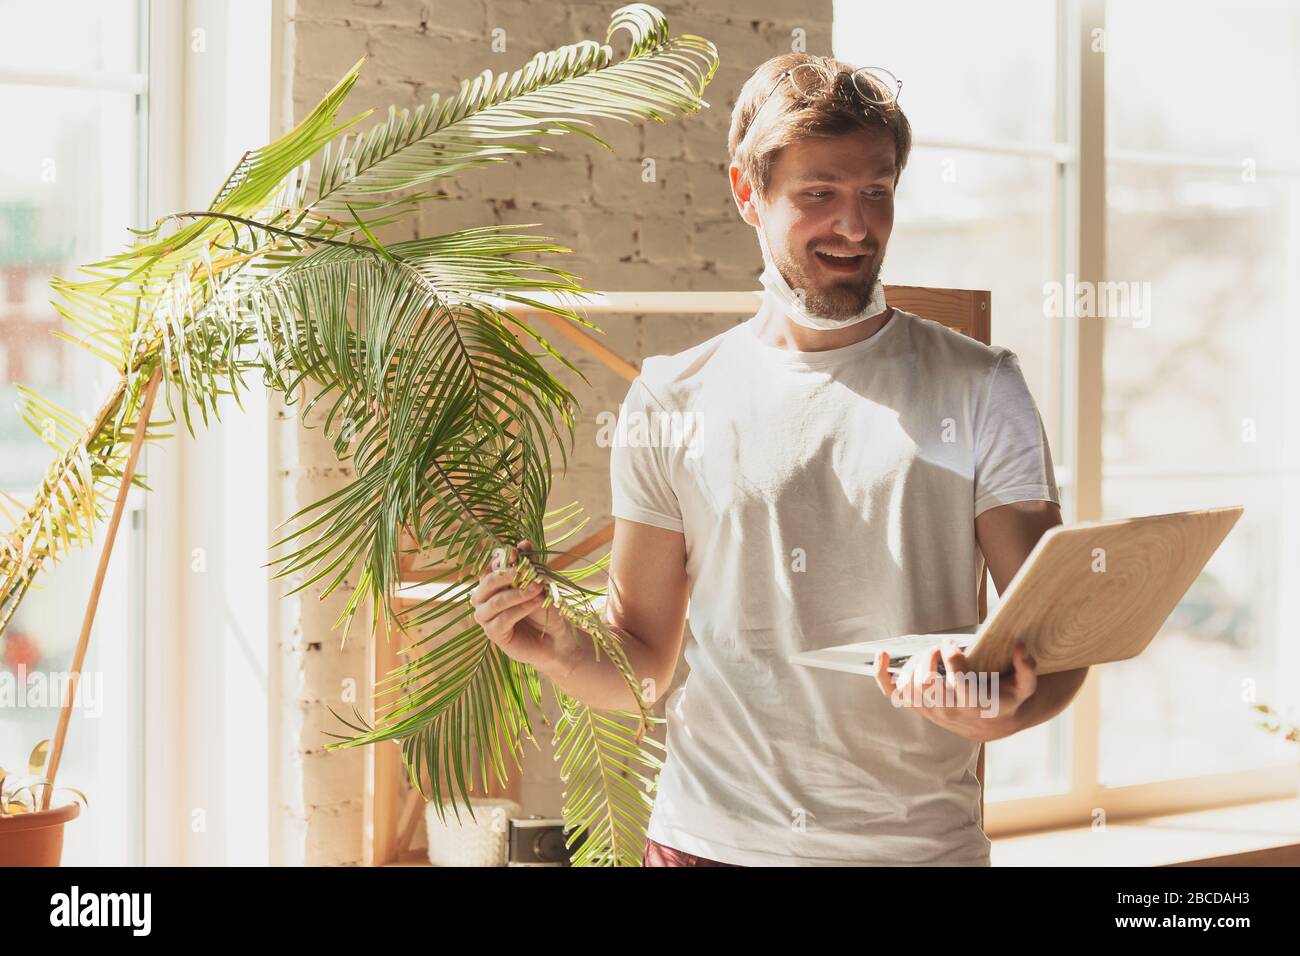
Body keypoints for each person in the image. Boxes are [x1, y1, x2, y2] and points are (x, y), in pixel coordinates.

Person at [471, 52, 1088, 867]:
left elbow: (1063, 636)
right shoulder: (670, 399)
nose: (856, 226)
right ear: (746, 193)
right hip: (708, 845)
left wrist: (1003, 710)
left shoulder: (981, 386)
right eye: (819, 195)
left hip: (917, 852)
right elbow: (643, 663)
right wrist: (559, 650)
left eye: (876, 191)